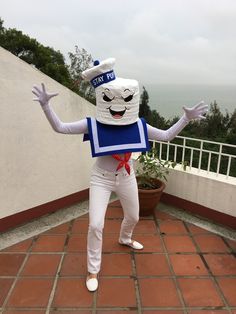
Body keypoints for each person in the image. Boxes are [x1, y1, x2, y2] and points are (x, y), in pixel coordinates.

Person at [32, 58, 208, 292]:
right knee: (95, 225)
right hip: (101, 179)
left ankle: (125, 238)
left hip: (126, 176)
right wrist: (46, 106)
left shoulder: (138, 126)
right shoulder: (93, 124)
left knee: (134, 217)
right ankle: (93, 269)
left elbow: (166, 136)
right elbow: (61, 128)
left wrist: (186, 118)